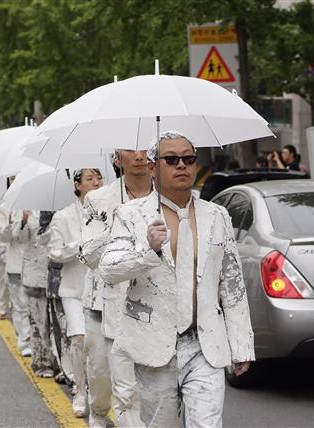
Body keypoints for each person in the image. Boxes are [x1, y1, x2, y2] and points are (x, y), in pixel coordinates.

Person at [99, 131, 255, 427]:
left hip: (204, 345)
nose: (181, 165)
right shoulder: (131, 215)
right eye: (171, 159)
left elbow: (232, 285)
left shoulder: (217, 215)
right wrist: (148, 250)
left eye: (188, 159)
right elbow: (109, 269)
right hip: (155, 345)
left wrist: (241, 344)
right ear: (152, 167)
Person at [80, 150, 152, 428]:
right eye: (130, 149)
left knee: (145, 390)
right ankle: (98, 413)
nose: (139, 155)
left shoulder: (167, 197)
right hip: (105, 301)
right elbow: (88, 256)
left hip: (153, 305)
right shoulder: (99, 200)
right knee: (101, 373)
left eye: (144, 148)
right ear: (116, 158)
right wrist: (115, 226)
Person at [49, 168, 103, 417]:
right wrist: (79, 246)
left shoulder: (109, 212)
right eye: (90, 178)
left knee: (101, 346)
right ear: (77, 185)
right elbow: (55, 252)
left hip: (102, 289)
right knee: (79, 339)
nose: (95, 182)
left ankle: (100, 392)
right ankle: (79, 390)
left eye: (98, 178)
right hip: (73, 289)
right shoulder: (63, 217)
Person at [21, 210, 58, 376]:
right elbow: (18, 239)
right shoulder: (27, 208)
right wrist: (22, 221)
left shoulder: (63, 209)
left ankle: (60, 364)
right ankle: (42, 362)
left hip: (57, 273)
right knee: (38, 321)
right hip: (35, 275)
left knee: (58, 323)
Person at [0, 201, 32, 355]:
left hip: (36, 263)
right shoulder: (5, 207)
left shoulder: (40, 202)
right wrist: (18, 222)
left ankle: (36, 341)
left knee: (33, 306)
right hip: (15, 264)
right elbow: (4, 237)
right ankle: (24, 341)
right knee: (20, 305)